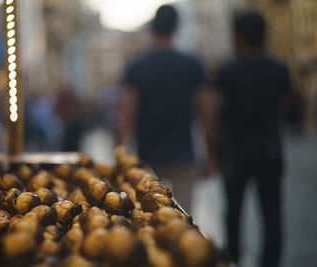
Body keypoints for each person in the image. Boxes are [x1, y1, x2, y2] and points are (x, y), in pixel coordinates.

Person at [213, 12, 294, 267]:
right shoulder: (278, 69)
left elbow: (215, 113)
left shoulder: (228, 71)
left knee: (233, 214)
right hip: (269, 149)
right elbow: (289, 105)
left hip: (235, 152)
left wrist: (213, 150)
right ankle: (271, 262)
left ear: (238, 35)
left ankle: (234, 259)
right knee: (271, 213)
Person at [117, 5, 216, 211]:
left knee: (149, 219)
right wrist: (211, 154)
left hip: (148, 158)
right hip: (183, 157)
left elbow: (126, 113)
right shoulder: (191, 64)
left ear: (153, 28)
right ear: (176, 28)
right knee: (184, 221)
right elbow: (206, 113)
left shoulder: (136, 67)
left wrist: (121, 154)